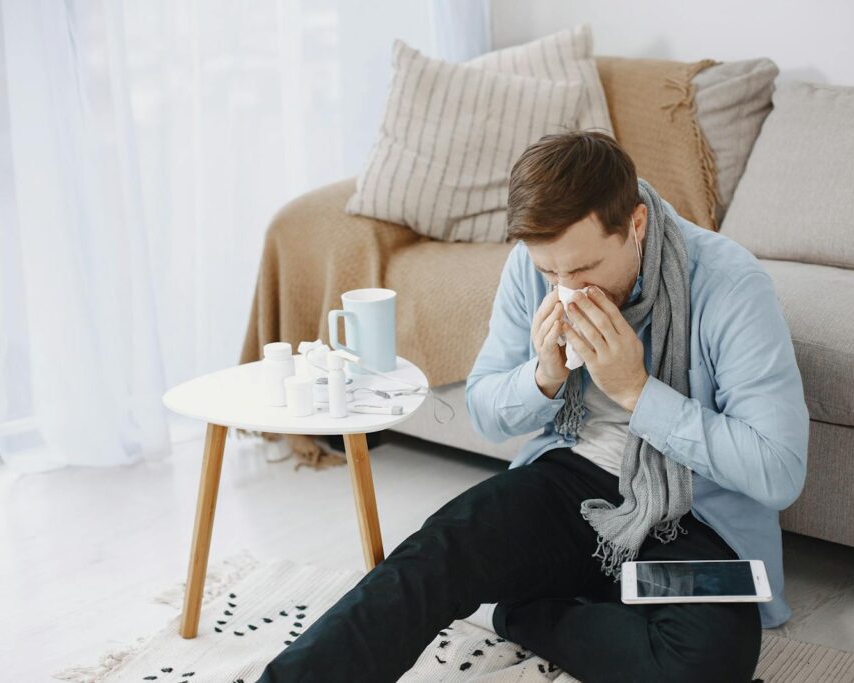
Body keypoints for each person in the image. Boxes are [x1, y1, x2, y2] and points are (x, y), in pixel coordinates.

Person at [256, 131, 809, 682]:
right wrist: (544, 376)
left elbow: (779, 472)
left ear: (634, 226)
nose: (566, 288)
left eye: (584, 269)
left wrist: (637, 391)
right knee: (431, 559)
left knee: (707, 661)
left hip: (691, 510)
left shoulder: (730, 285)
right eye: (552, 273)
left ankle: (530, 609)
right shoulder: (533, 266)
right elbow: (487, 412)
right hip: (571, 480)